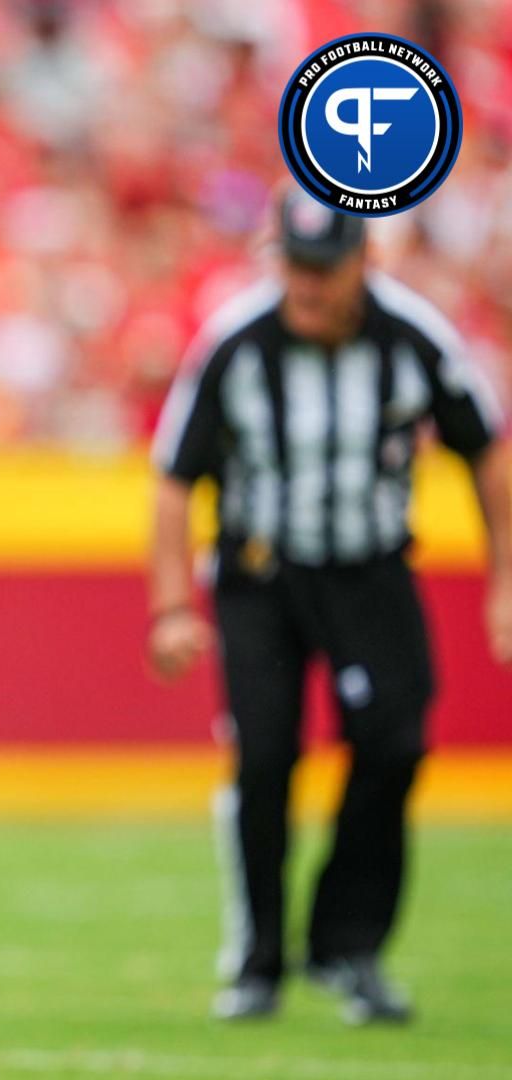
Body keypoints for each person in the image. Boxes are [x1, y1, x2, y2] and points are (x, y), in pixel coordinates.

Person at [148, 191, 512, 1025]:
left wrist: (505, 581)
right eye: (297, 269)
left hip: (370, 573)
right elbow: (175, 477)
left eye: (325, 271)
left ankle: (350, 946)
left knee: (395, 742)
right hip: (261, 575)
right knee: (265, 759)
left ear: (363, 262)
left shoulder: (414, 337)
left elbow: (487, 454)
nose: (307, 290)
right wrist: (171, 606)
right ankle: (259, 961)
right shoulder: (236, 342)